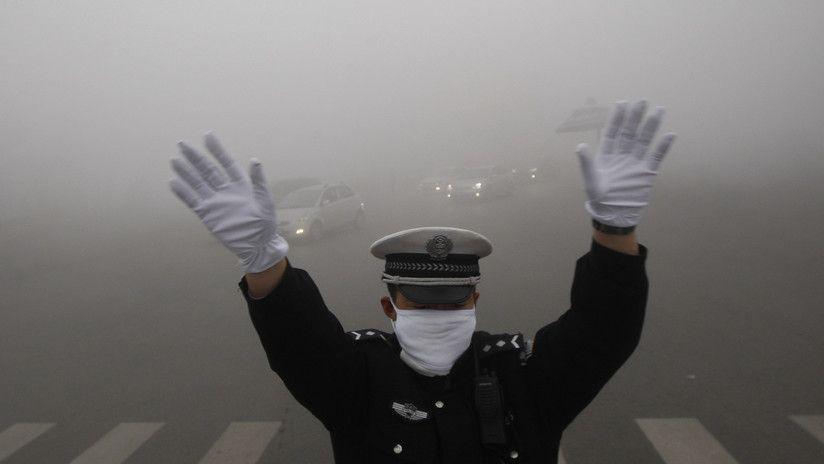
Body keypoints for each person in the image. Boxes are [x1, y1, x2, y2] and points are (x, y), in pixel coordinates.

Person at [168, 100, 676, 463]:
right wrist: (261, 260)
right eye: (419, 299)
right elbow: (298, 340)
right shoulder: (358, 382)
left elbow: (604, 331)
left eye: (452, 299)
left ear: (474, 299)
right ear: (389, 309)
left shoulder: (520, 377)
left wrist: (616, 230)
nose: (439, 312)